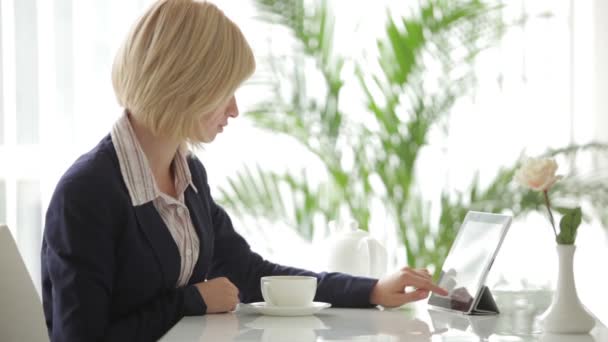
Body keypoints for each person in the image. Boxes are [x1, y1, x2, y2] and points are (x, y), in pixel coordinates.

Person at [40, 0, 448, 341]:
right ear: (185, 84)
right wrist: (192, 300)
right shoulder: (87, 194)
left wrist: (373, 289)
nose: (234, 109)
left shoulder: (188, 176)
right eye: (225, 91)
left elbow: (250, 274)